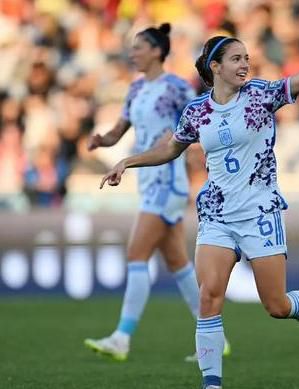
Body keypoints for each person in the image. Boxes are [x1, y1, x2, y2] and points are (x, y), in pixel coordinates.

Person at [99, 31, 299, 388]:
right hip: (217, 214)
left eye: (247, 58)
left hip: (259, 212)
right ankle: (212, 384)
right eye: (236, 59)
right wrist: (128, 161)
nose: (245, 64)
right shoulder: (197, 111)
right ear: (215, 67)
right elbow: (171, 148)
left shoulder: (261, 96)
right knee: (209, 295)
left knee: (277, 306)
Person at [84, 23, 230, 362]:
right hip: (146, 180)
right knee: (178, 263)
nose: (133, 53)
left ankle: (121, 337)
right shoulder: (135, 89)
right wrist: (102, 140)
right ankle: (215, 337)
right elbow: (120, 130)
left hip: (167, 180)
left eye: (138, 47)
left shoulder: (176, 87)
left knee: (137, 254)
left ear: (156, 51)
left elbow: (200, 121)